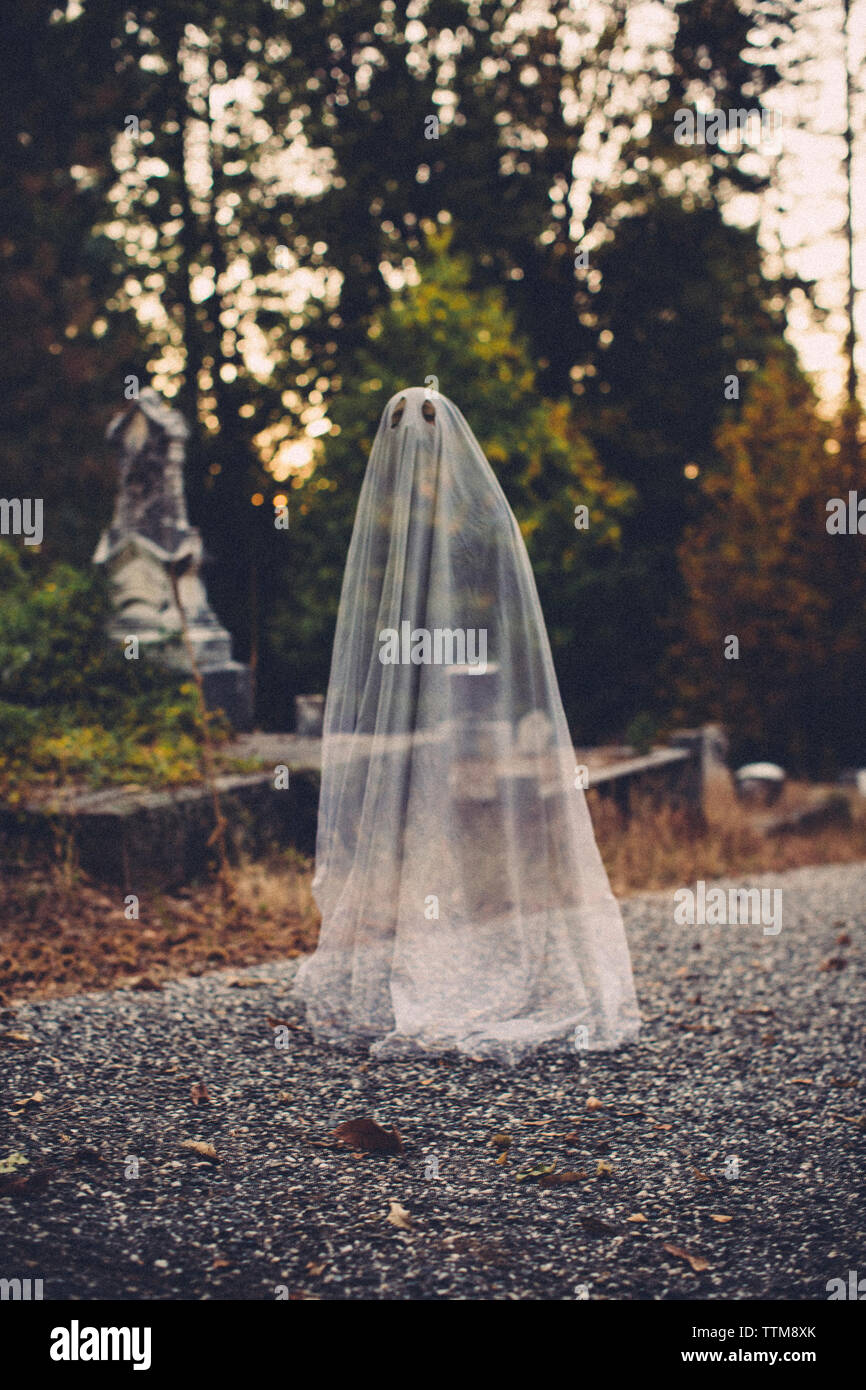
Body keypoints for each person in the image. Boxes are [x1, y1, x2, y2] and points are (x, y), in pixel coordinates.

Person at [295, 387, 640, 1062]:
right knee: (419, 842)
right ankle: (420, 951)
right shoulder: (397, 533)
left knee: (472, 845)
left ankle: (487, 955)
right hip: (444, 706)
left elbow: (501, 631)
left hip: (476, 705)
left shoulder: (476, 526)